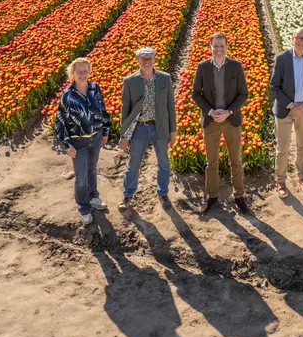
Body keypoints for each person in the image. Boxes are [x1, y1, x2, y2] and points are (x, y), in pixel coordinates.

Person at [191, 32, 249, 214]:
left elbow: (243, 94)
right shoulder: (202, 67)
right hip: (211, 121)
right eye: (215, 46)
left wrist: (228, 112)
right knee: (211, 161)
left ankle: (239, 196)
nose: (218, 49)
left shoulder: (235, 66)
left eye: (221, 46)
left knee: (236, 160)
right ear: (210, 47)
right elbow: (195, 93)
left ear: (226, 47)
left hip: (231, 120)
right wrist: (210, 111)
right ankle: (212, 196)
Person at [117, 47, 177, 213]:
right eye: (143, 58)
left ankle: (163, 193)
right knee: (133, 163)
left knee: (163, 162)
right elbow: (125, 110)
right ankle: (128, 195)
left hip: (160, 126)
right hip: (139, 128)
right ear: (138, 61)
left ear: (154, 59)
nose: (147, 61)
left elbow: (170, 106)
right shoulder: (130, 81)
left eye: (149, 57)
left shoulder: (165, 78)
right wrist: (124, 135)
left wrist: (173, 131)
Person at [55, 57, 111, 225]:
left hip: (96, 136)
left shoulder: (94, 88)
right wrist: (66, 144)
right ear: (72, 73)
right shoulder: (68, 95)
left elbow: (102, 109)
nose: (82, 74)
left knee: (92, 169)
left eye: (85, 71)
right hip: (78, 141)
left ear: (89, 72)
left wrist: (105, 130)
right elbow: (60, 120)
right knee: (80, 177)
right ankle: (84, 208)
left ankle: (93, 197)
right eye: (79, 71)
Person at [270, 27, 303, 197]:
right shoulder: (282, 59)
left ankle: (302, 176)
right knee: (282, 147)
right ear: (292, 39)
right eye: (298, 38)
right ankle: (280, 180)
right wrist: (291, 104)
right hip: (285, 109)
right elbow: (274, 87)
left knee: (302, 145)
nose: (301, 41)